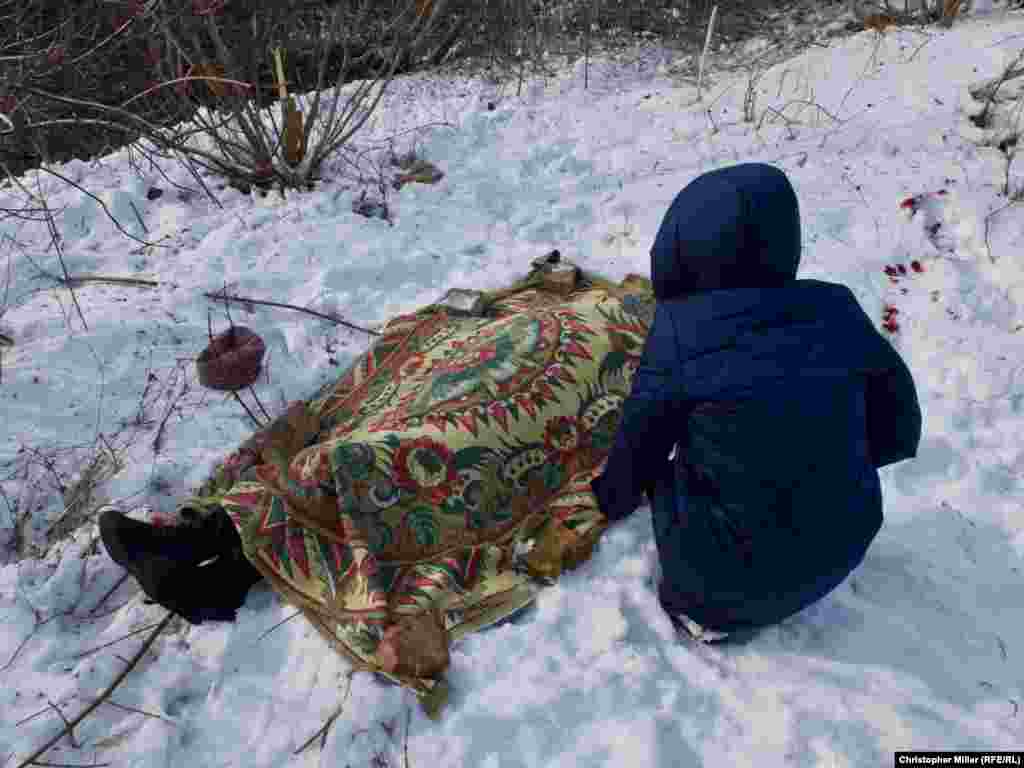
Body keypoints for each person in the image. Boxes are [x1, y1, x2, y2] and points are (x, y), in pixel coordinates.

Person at [590, 162, 922, 643]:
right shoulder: (836, 307)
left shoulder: (680, 331)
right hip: (847, 542)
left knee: (669, 470)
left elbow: (640, 447)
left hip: (724, 585)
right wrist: (831, 462)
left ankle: (700, 617)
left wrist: (611, 498)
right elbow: (899, 420)